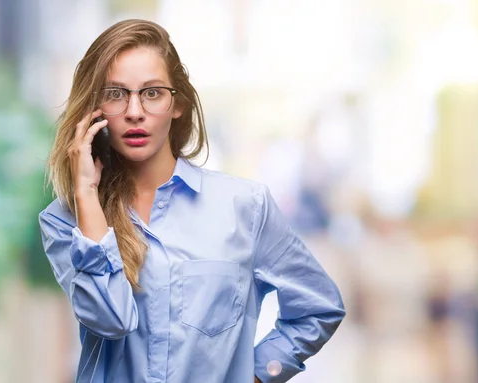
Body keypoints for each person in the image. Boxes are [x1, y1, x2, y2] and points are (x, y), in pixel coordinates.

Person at [39, 19, 345, 383]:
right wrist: (86, 193)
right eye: (116, 93)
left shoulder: (246, 207)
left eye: (152, 92)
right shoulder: (65, 221)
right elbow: (111, 319)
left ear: (178, 104)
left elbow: (319, 307)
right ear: (95, 109)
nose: (135, 111)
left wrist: (259, 374)